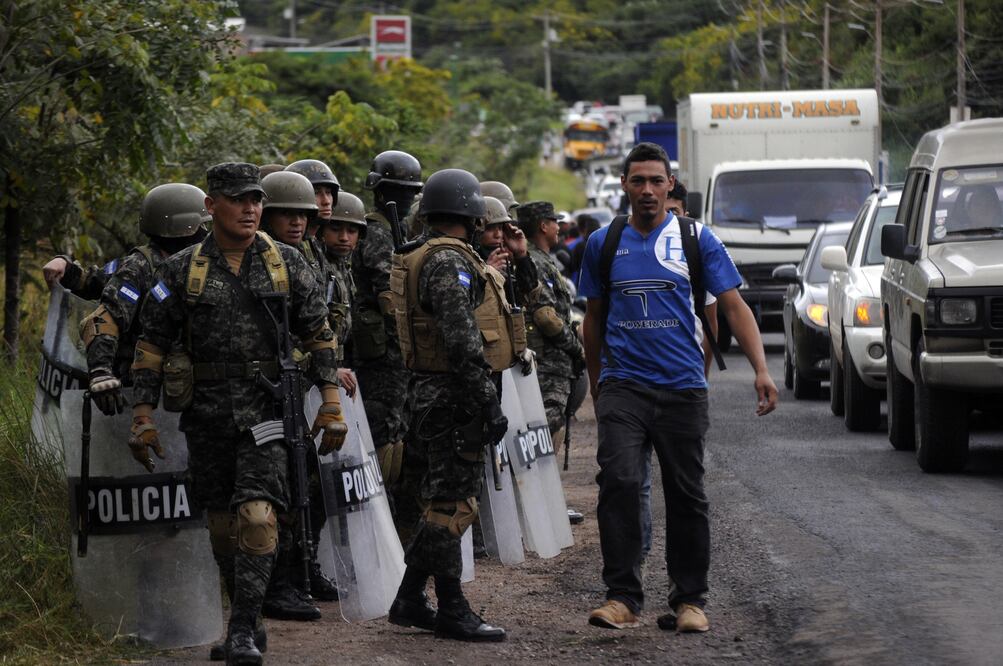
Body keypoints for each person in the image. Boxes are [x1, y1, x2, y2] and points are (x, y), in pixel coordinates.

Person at [130, 163, 347, 665]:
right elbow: (151, 347)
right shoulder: (180, 269)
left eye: (255, 200)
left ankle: (244, 629)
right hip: (206, 414)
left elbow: (320, 334)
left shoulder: (287, 262)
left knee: (257, 519)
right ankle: (247, 619)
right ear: (211, 207)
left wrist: (331, 402)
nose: (250, 209)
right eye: (237, 199)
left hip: (267, 409)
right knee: (224, 527)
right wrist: (142, 414)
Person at [579, 143, 777, 634]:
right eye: (638, 180)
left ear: (670, 186)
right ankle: (622, 597)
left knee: (686, 495)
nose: (647, 190)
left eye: (656, 181)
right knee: (620, 483)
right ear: (624, 185)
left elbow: (733, 307)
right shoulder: (603, 243)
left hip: (683, 388)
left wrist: (762, 369)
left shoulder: (696, 239)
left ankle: (689, 601)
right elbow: (593, 321)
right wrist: (596, 381)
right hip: (624, 385)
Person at [387, 168, 516, 642]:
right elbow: (462, 341)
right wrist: (487, 400)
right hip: (452, 396)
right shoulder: (449, 261)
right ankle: (450, 607)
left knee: (445, 499)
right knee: (453, 504)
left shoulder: (430, 253)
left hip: (433, 394)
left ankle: (412, 598)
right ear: (471, 213)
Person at [42, 184, 209, 417]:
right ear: (182, 227)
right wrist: (101, 372)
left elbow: (96, 279)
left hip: (187, 387)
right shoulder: (139, 266)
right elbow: (105, 320)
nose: (206, 231)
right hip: (143, 391)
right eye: (201, 224)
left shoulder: (200, 264)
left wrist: (67, 268)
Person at [257, 169, 339, 619]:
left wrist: (328, 391)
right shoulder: (256, 258)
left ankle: (298, 570)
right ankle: (275, 582)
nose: (297, 222)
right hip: (254, 391)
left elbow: (319, 329)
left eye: (303, 215)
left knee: (309, 485)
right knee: (282, 488)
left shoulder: (305, 257)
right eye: (285, 214)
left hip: (294, 388)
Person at [356, 150, 422, 497]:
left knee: (398, 432)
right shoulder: (377, 232)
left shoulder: (393, 229)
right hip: (383, 354)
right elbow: (388, 293)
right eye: (402, 191)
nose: (408, 198)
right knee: (386, 434)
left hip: (394, 350)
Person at [285, 159, 340, 244]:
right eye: (316, 193)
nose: (326, 201)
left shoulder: (318, 243)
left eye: (328, 192)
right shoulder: (287, 245)